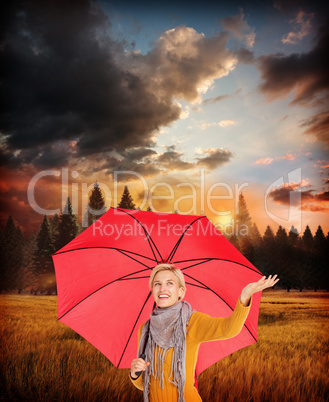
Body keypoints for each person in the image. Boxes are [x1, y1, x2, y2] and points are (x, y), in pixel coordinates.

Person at [130, 263, 279, 402]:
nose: (162, 288)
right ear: (152, 290)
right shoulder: (145, 329)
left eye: (170, 283)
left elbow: (230, 328)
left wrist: (245, 295)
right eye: (157, 284)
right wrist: (135, 373)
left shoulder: (192, 321)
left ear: (180, 291)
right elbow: (145, 384)